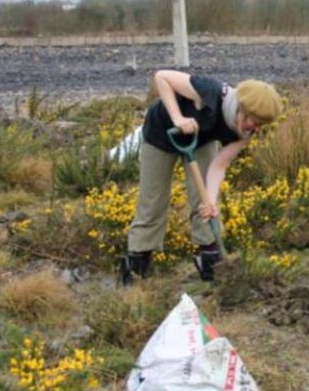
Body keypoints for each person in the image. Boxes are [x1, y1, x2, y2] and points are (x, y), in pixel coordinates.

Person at [121, 70, 283, 285]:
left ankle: (210, 262)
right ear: (242, 108)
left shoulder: (245, 132)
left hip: (200, 140)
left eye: (262, 124)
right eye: (255, 121)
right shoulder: (208, 91)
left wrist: (211, 198)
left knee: (205, 202)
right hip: (161, 134)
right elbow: (162, 77)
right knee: (153, 201)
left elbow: (220, 165)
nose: (256, 128)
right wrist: (178, 117)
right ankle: (137, 265)